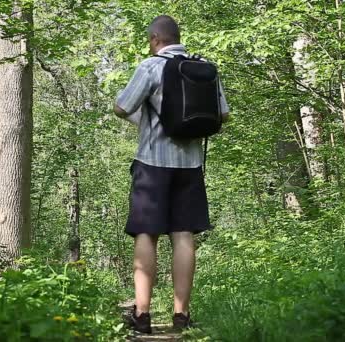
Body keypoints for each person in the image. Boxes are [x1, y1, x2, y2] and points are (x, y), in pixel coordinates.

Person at [113, 15, 230, 334]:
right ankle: (181, 316)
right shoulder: (205, 67)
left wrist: (147, 119)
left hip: (152, 163)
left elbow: (122, 107)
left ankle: (143, 316)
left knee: (146, 234)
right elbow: (223, 115)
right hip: (190, 165)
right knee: (183, 235)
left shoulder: (151, 67)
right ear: (178, 37)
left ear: (155, 39)